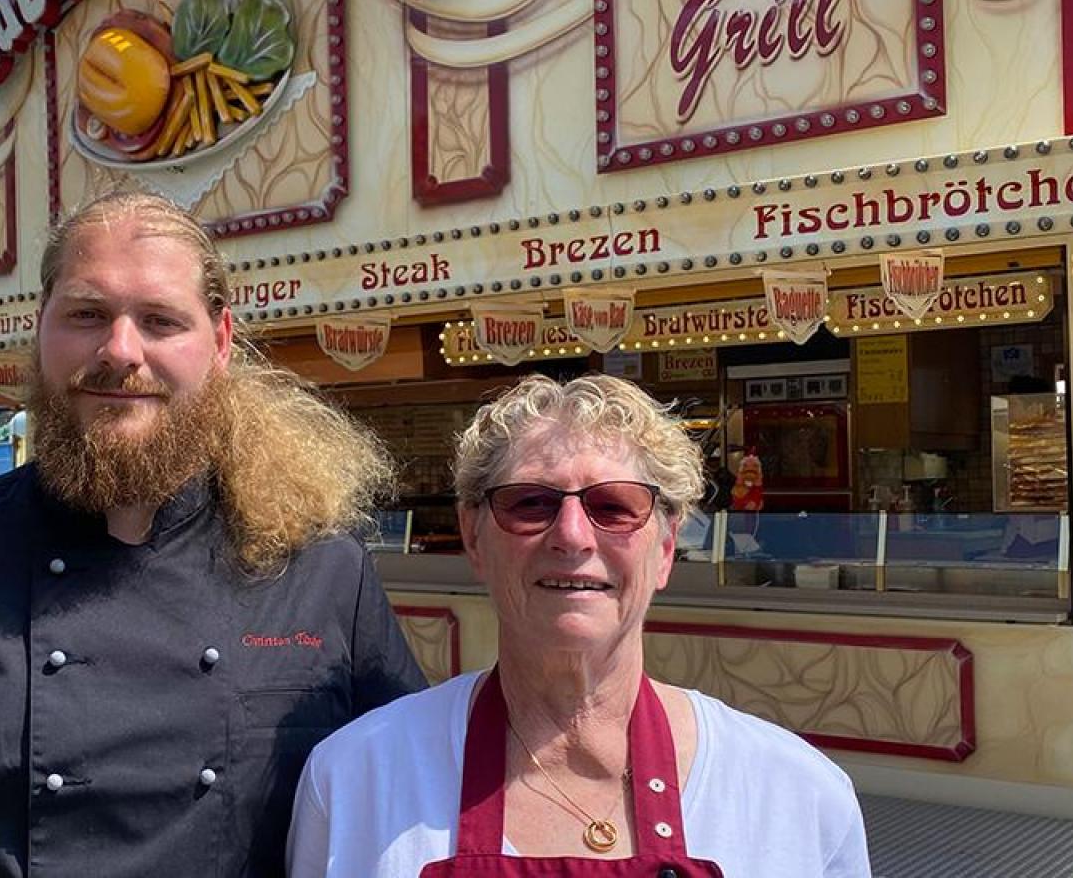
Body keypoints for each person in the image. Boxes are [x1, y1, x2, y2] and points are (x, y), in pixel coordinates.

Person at [0, 192, 428, 877]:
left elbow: (415, 819)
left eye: (160, 320)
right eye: (87, 314)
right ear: (40, 329)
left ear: (219, 342)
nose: (120, 350)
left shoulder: (324, 577)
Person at [288, 374, 870, 877]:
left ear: (665, 546)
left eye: (614, 505)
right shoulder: (355, 779)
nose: (572, 535)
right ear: (473, 538)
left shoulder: (797, 795)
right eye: (530, 503)